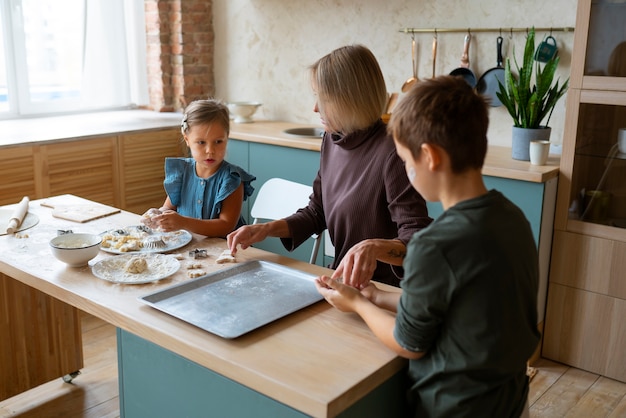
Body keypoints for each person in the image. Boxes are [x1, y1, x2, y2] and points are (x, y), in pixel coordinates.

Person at [315, 76, 540, 417]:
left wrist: (358, 304)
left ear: (430, 157)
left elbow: (409, 343)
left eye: (406, 161)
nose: (406, 171)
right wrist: (377, 296)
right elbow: (459, 306)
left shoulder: (433, 245)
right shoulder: (512, 219)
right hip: (509, 400)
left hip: (454, 408)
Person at [227, 45, 431, 287]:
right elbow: (317, 211)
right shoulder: (332, 140)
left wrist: (375, 248)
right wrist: (266, 229)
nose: (315, 108)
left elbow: (416, 238)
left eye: (324, 98)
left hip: (381, 292)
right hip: (342, 284)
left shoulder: (394, 152)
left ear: (352, 99)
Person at [143, 99, 255, 237]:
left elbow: (226, 226)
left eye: (218, 142)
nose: (210, 150)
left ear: (227, 137)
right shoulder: (182, 171)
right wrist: (158, 215)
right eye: (201, 142)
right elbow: (168, 207)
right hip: (188, 248)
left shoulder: (232, 178)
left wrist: (183, 222)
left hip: (224, 251)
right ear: (187, 140)